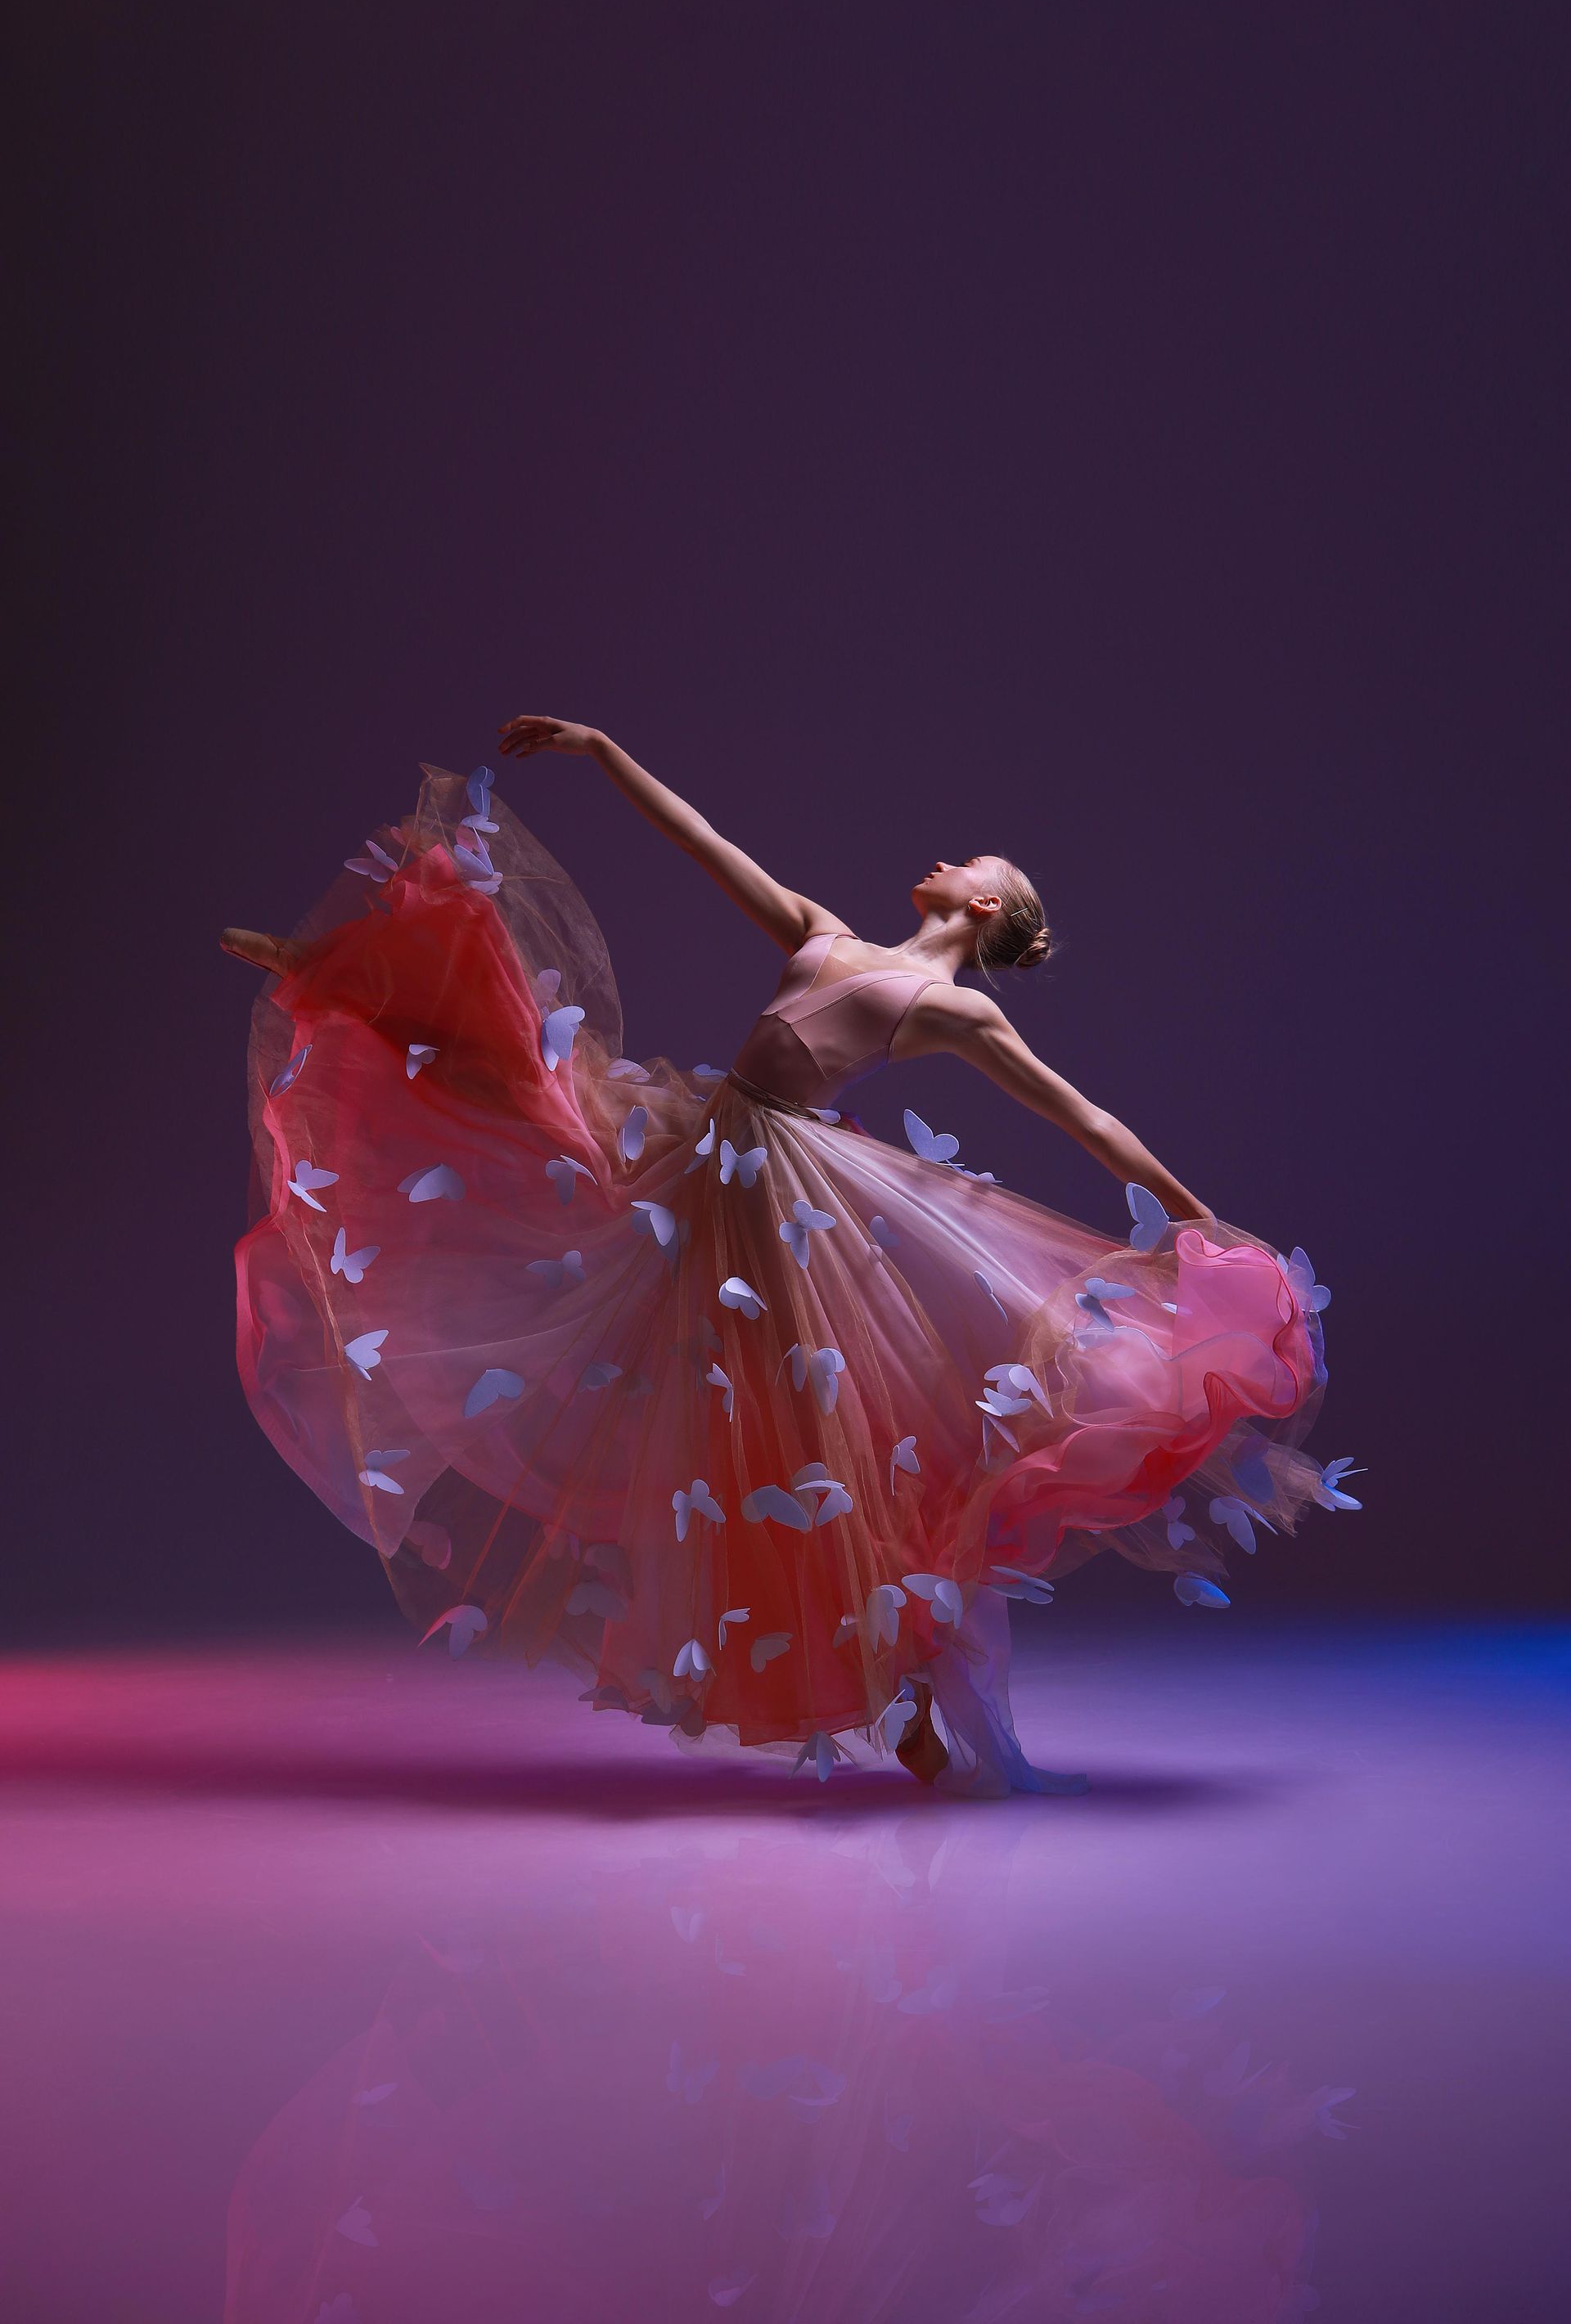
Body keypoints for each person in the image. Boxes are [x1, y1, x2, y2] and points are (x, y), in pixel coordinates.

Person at [223, 720, 1345, 1798]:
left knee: (823, 1453)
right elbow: (707, 845)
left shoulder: (952, 1009)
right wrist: (605, 753)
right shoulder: (824, 930)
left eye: (967, 863)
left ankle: (932, 1708)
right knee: (543, 1104)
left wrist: (1203, 1216)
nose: (943, 859)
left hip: (783, 1201)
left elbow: (1086, 1120)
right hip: (706, 1149)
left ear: (983, 904)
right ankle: (350, 988)